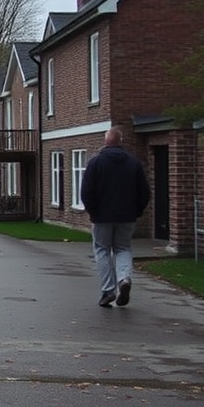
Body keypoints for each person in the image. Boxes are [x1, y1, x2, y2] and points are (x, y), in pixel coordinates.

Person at [81, 126, 151, 308]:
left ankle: (108, 290)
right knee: (123, 248)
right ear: (121, 141)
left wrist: (92, 211)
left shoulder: (95, 163)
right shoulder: (134, 163)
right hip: (127, 216)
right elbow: (145, 192)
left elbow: (86, 192)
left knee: (102, 250)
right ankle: (124, 278)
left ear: (106, 141)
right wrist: (136, 211)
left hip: (101, 216)